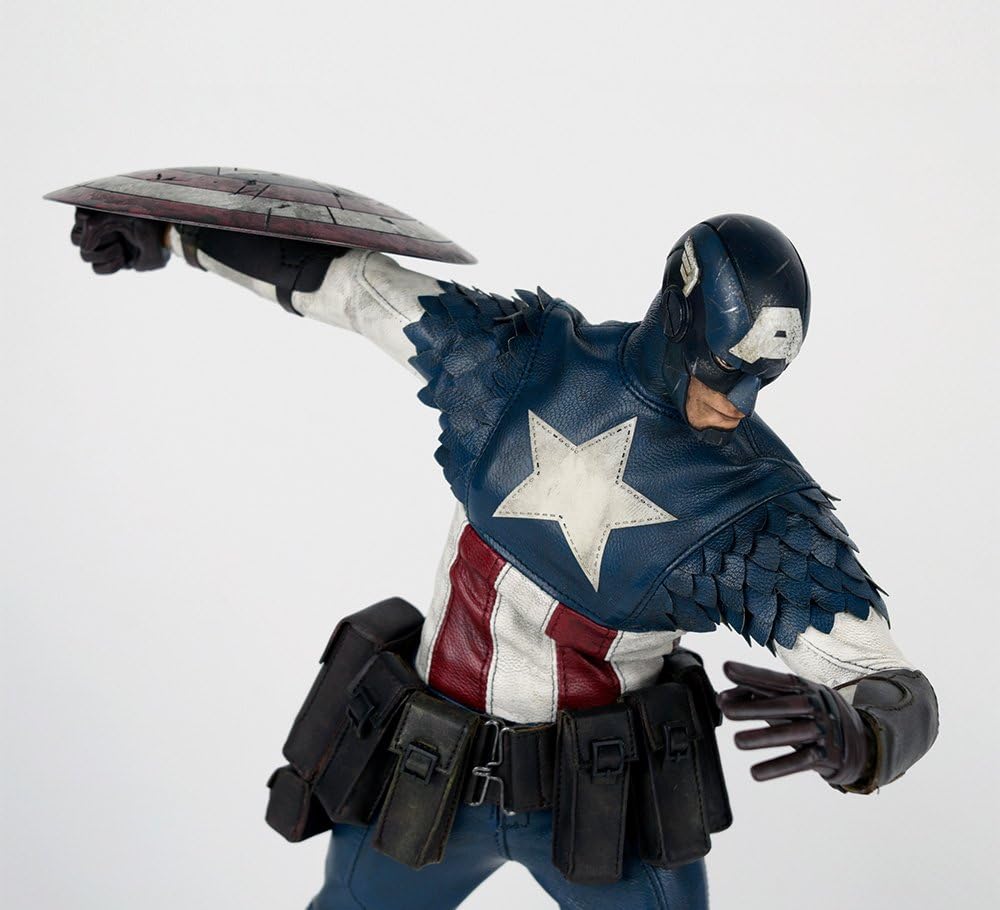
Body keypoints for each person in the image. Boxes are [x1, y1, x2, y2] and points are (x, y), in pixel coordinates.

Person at [65, 207, 938, 910]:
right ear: (679, 316)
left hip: (604, 808)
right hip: (426, 777)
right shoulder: (521, 359)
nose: (736, 405)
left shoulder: (758, 507)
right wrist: (173, 232)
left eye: (760, 382)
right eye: (722, 370)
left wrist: (861, 737)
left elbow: (884, 676)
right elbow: (358, 287)